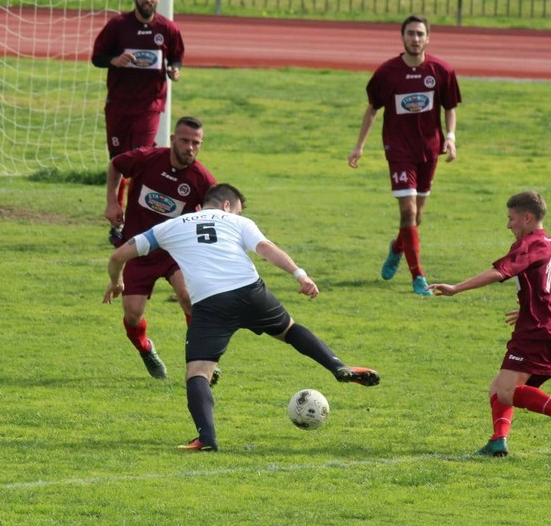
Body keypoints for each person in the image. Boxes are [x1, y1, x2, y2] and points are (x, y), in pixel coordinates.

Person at [105, 183, 381, 452]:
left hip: (211, 303)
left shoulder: (170, 226)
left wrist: (117, 282)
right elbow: (267, 249)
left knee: (198, 372)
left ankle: (207, 438)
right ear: (227, 206)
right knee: (289, 330)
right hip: (250, 292)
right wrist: (300, 275)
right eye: (238, 210)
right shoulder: (238, 222)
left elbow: (118, 256)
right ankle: (337, 366)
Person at [426, 191, 551, 457]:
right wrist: (532, 306)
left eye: (512, 219)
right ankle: (498, 441)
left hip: (537, 331)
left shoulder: (531, 244)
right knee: (498, 387)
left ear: (527, 218)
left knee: (505, 391)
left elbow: (499, 272)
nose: (508, 225)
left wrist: (456, 288)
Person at [347, 14, 462, 296]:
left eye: (420, 34)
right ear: (402, 37)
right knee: (408, 211)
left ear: (428, 38)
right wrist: (359, 146)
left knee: (416, 216)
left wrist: (450, 137)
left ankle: (398, 246)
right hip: (398, 150)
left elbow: (450, 108)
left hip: (429, 149)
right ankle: (418, 278)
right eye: (410, 33)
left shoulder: (441, 70)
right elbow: (372, 109)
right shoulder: (387, 73)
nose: (415, 38)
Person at [105, 116, 216, 380]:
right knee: (133, 314)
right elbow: (116, 165)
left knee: (188, 298)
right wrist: (112, 202)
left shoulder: (202, 178)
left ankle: (201, 361)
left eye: (196, 143)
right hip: (138, 249)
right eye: (185, 141)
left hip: (176, 251)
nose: (190, 147)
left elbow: (218, 210)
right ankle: (145, 348)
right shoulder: (147, 159)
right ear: (173, 139)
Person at [92, 0, 185, 247]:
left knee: (140, 159)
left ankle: (139, 221)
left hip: (149, 106)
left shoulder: (168, 28)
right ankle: (117, 221)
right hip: (119, 106)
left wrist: (174, 69)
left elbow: (176, 57)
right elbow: (97, 57)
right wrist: (115, 60)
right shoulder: (118, 25)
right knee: (119, 161)